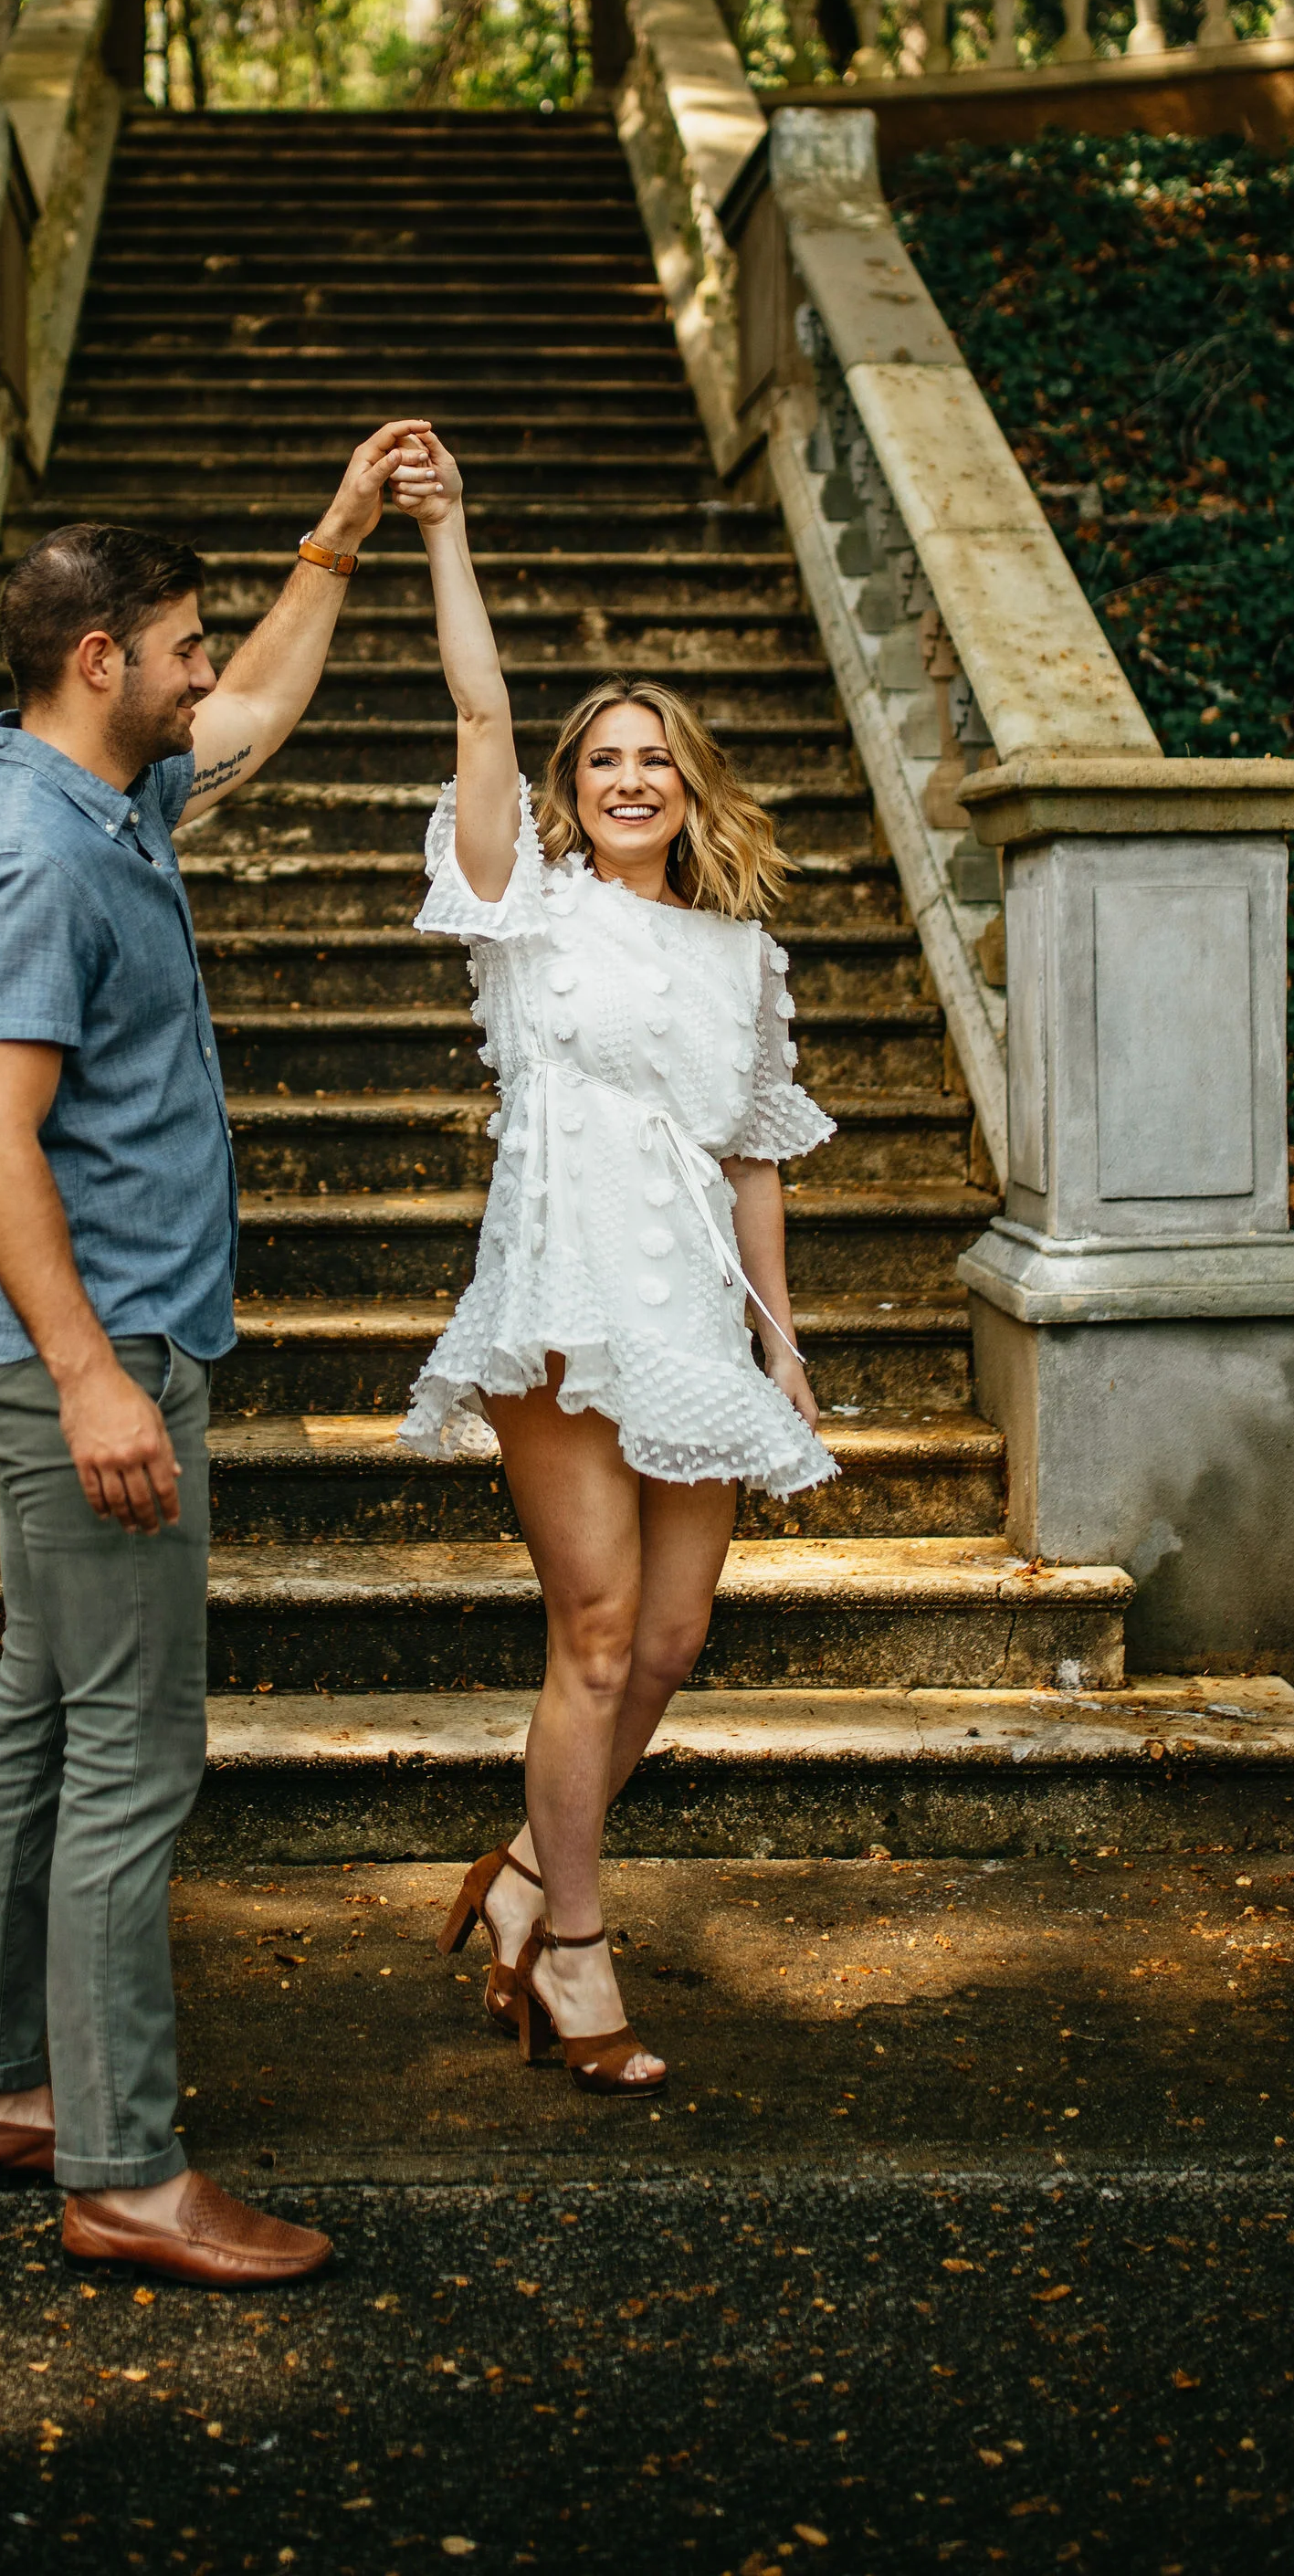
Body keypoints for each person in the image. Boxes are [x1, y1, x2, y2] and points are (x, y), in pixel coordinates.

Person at [0, 422, 428, 2285]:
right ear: (99, 658)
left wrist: (335, 544)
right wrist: (90, 1377)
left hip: (99, 1336)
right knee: (136, 1754)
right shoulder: (26, 861)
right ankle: (124, 2171)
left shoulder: (103, 789)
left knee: (42, 1720)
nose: (210, 669)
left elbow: (264, 711)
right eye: (186, 642)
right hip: (90, 1352)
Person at [388, 426, 837, 2093]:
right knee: (590, 1633)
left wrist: (780, 1341)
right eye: (604, 761)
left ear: (691, 781)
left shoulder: (744, 956)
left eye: (657, 758)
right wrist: (448, 534)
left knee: (667, 1646)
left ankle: (519, 1870)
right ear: (571, 793)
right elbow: (482, 713)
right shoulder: (533, 913)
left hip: (696, 1327)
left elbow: (751, 1158)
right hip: (564, 1305)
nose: (629, 778)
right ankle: (574, 1946)